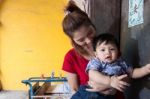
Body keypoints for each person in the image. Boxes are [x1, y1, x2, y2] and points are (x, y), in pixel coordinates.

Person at [62, 1, 129, 99]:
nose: (88, 41)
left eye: (90, 32)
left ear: (92, 25)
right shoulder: (70, 57)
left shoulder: (109, 47)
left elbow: (127, 75)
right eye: (81, 40)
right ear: (73, 40)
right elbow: (75, 90)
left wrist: (110, 85)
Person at [71, 33, 150, 99]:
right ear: (96, 54)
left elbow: (132, 73)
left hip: (107, 96)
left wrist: (145, 69)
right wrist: (110, 81)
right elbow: (92, 73)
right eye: (103, 50)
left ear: (118, 51)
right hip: (87, 92)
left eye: (112, 49)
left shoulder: (121, 63)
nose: (108, 53)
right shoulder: (97, 61)